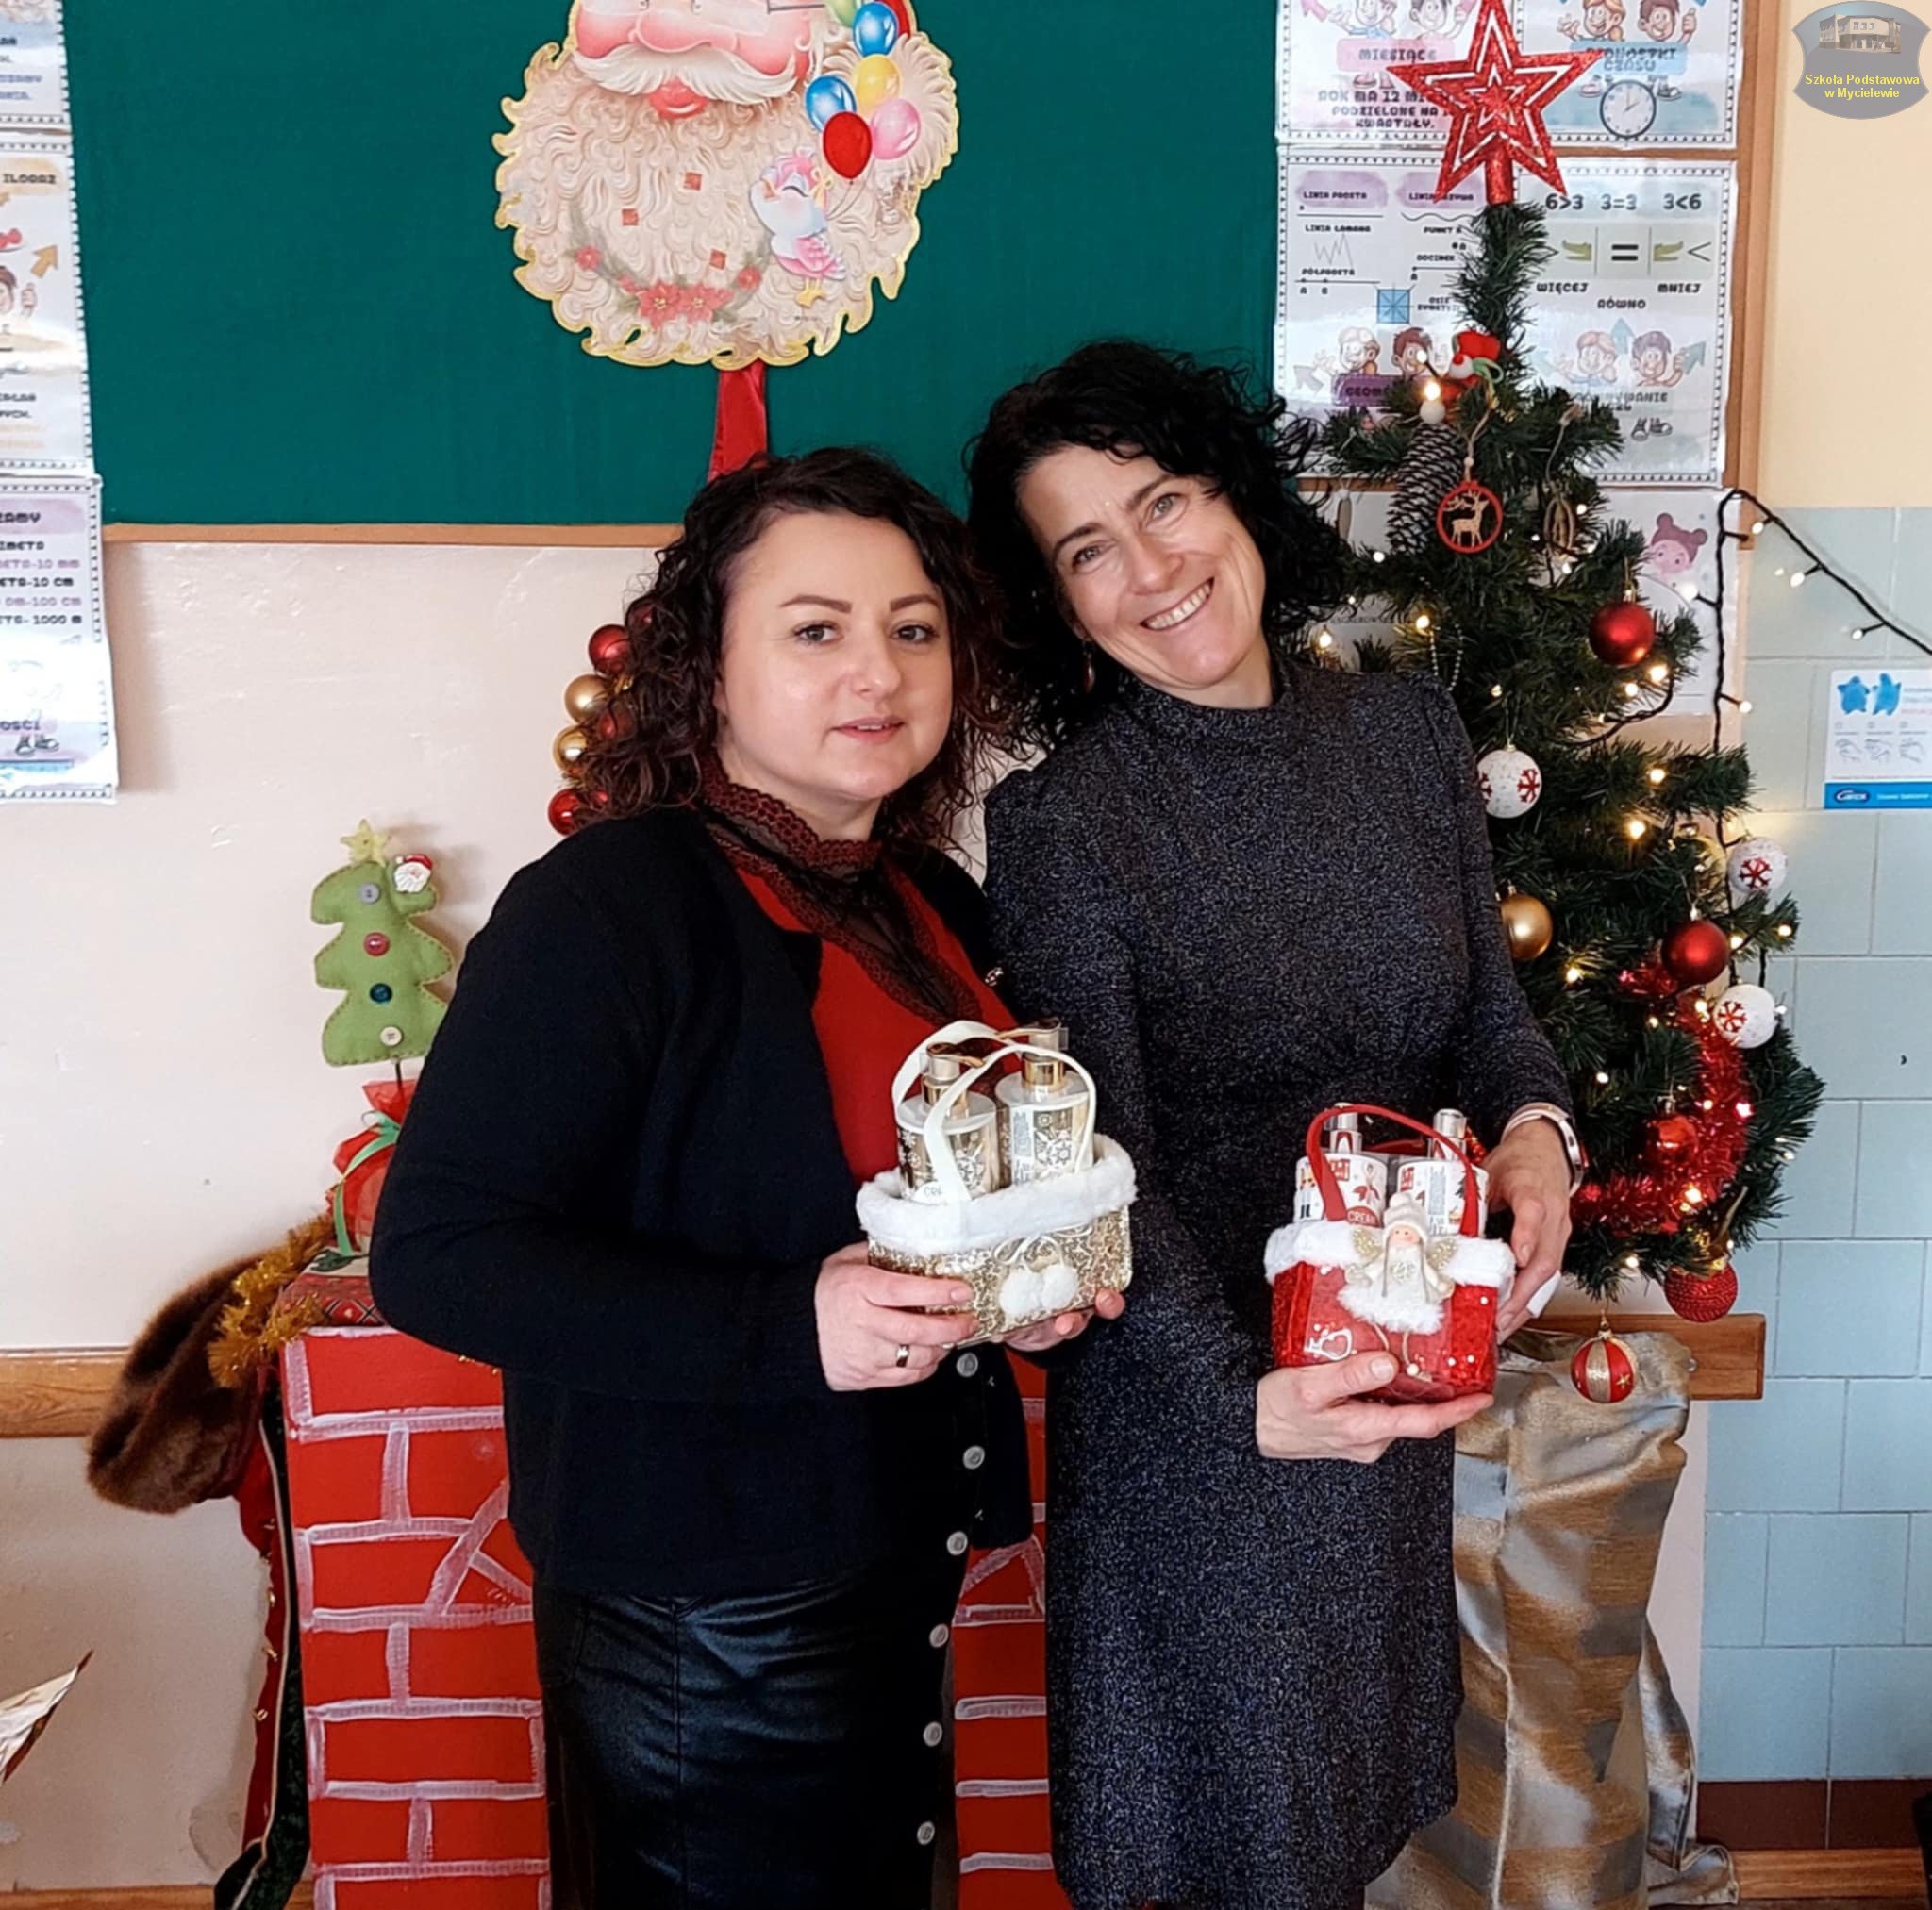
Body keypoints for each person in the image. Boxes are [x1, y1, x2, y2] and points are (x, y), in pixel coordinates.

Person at [371, 447, 1110, 1909]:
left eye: (913, 627)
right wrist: (789, 1324)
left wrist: (1027, 1293)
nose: (878, 670)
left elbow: (938, 1187)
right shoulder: (605, 907)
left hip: (891, 1561)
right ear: (708, 667)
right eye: (815, 628)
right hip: (702, 1626)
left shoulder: (927, 901)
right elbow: (438, 1253)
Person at [965, 342, 1582, 1910]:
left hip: (1386, 1374)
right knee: (1230, 1844)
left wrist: (1536, 1133)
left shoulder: (1406, 737)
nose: (1150, 567)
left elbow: (1488, 1014)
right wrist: (1246, 1397)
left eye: (1164, 501)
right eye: (1087, 548)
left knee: (1346, 1825)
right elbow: (1098, 1174)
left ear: (1236, 495)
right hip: (1205, 1426)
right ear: (1060, 606)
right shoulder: (1067, 824)